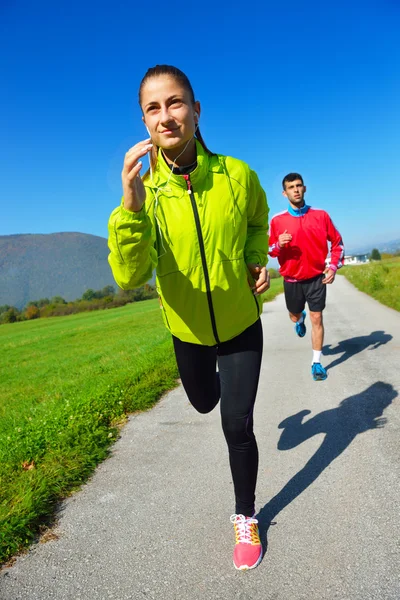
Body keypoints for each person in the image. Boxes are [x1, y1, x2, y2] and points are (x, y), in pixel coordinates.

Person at [107, 65, 270, 571]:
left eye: (175, 103)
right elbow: (131, 277)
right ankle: (213, 385)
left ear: (196, 111)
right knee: (204, 403)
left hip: (241, 322)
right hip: (189, 331)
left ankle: (246, 516)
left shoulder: (237, 175)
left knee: (235, 424)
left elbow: (255, 223)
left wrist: (253, 258)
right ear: (144, 120)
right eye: (154, 108)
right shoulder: (146, 196)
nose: (166, 116)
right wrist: (131, 208)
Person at [268, 173, 344, 381]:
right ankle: (298, 318)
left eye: (299, 185)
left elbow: (337, 243)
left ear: (305, 189)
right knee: (294, 314)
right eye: (291, 187)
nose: (296, 189)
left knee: (317, 317)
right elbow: (270, 250)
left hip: (316, 279)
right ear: (284, 193)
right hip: (292, 280)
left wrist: (333, 267)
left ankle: (316, 363)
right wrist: (278, 244)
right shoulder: (277, 220)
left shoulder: (321, 216)